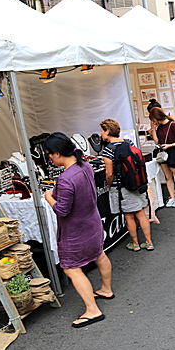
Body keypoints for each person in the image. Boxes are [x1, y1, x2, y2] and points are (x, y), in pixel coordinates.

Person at [43, 132, 112, 328]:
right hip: (93, 222)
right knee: (99, 254)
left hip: (76, 231)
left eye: (49, 155)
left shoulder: (66, 178)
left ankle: (92, 309)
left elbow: (62, 210)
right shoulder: (85, 165)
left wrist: (49, 196)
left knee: (72, 268)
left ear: (57, 154)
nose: (49, 158)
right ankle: (106, 289)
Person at [99, 119, 155, 252]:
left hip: (122, 187)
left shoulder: (108, 150)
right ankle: (149, 241)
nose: (101, 134)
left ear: (107, 131)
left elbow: (109, 173)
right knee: (141, 213)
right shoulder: (127, 143)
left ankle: (135, 243)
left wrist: (109, 185)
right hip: (137, 182)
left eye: (102, 131)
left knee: (129, 216)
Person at [148, 108, 175, 208]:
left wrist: (169, 145)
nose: (153, 122)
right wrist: (153, 130)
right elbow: (156, 142)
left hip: (173, 152)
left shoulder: (172, 125)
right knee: (168, 177)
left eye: (153, 120)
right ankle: (172, 197)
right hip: (163, 153)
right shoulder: (159, 127)